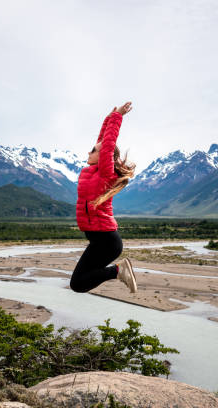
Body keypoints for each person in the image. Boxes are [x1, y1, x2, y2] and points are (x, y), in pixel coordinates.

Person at [70, 101, 138, 294]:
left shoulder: (105, 175)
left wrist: (118, 118)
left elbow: (107, 146)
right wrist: (108, 118)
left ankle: (118, 271)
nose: (88, 152)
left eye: (92, 151)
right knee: (78, 284)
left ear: (103, 158)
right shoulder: (94, 171)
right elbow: (102, 142)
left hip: (106, 242)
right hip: (99, 240)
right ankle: (118, 271)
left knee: (78, 284)